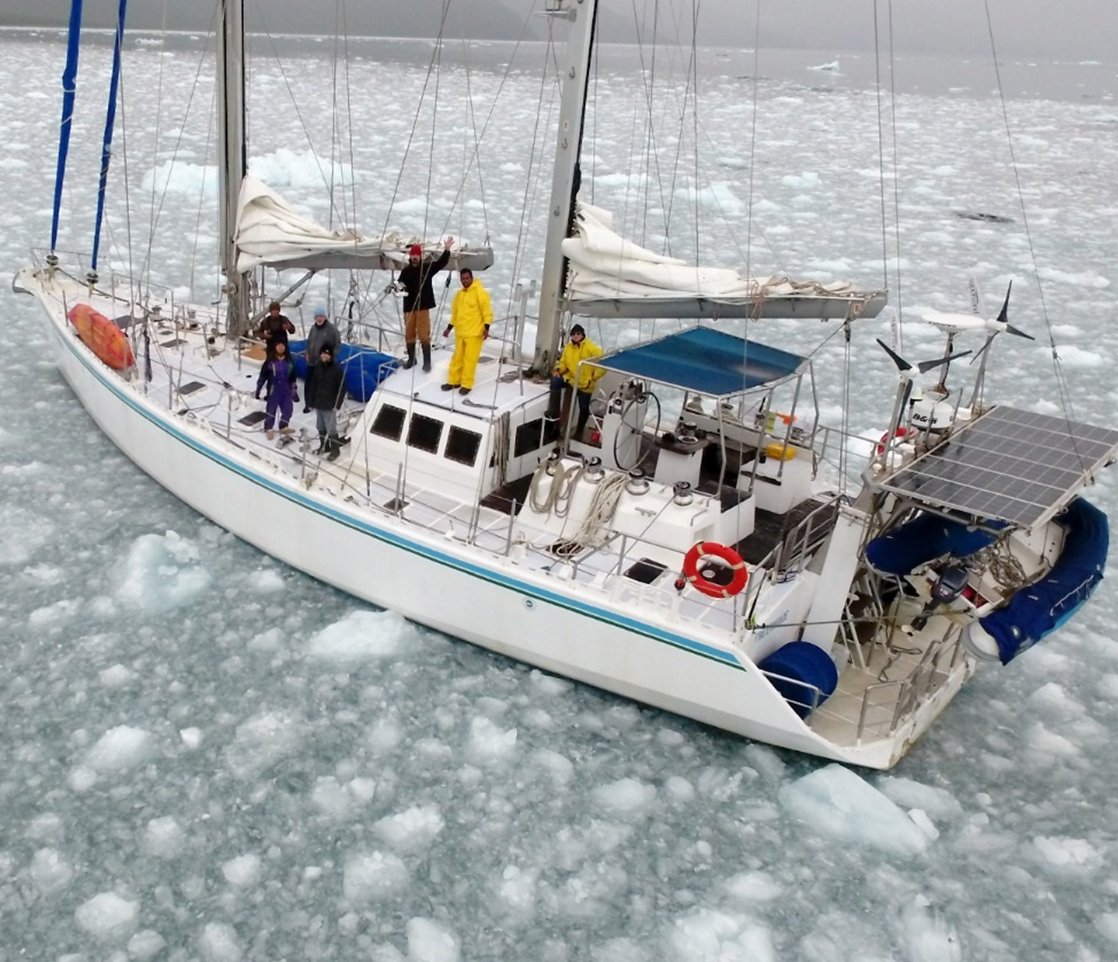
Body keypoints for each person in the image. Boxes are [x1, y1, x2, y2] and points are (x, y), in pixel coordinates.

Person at [398, 236, 453, 372]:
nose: (415, 257)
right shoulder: (405, 271)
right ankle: (411, 359)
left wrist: (446, 250)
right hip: (409, 307)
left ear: (420, 256)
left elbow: (441, 263)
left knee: (424, 334)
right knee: (409, 333)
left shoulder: (427, 268)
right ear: (410, 257)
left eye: (417, 255)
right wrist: (397, 288)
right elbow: (400, 286)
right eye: (413, 255)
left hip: (422, 307)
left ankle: (427, 362)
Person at [441, 268, 493, 396]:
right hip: (461, 333)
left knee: (470, 360)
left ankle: (466, 384)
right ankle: (454, 381)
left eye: (467, 278)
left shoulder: (480, 293)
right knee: (457, 358)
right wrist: (449, 328)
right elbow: (455, 314)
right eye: (462, 279)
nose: (465, 281)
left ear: (471, 277)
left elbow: (487, 312)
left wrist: (486, 328)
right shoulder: (459, 295)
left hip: (474, 334)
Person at [548, 323, 604, 440]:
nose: (575, 336)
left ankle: (578, 433)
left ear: (583, 334)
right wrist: (558, 370)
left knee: (583, 409)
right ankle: (554, 414)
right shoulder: (568, 347)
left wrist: (593, 377)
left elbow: (603, 362)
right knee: (555, 381)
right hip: (572, 379)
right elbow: (563, 362)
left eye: (578, 334)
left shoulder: (591, 347)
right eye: (573, 334)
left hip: (585, 383)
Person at [305, 343, 347, 460]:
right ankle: (324, 446)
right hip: (319, 402)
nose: (324, 356)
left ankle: (335, 450)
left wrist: (337, 404)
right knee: (320, 426)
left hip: (330, 405)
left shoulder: (337, 370)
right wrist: (311, 402)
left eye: (326, 354)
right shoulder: (317, 368)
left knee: (331, 428)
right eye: (323, 353)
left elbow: (341, 388)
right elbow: (313, 385)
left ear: (331, 356)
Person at [254, 339, 298, 440]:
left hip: (286, 389)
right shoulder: (269, 361)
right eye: (278, 345)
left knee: (288, 409)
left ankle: (283, 426)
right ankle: (268, 428)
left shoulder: (290, 361)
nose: (281, 348)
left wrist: (294, 390)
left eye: (282, 346)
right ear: (275, 347)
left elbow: (293, 377)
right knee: (271, 410)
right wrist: (258, 388)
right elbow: (262, 376)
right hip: (273, 389)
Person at [303, 305, 340, 411]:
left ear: (325, 317)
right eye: (317, 316)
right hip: (311, 360)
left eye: (321, 316)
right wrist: (307, 352)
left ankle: (316, 403)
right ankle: (308, 404)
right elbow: (309, 342)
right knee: (309, 383)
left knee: (319, 384)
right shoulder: (313, 328)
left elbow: (337, 345)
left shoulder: (332, 329)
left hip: (323, 362)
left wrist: (331, 358)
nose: (319, 318)